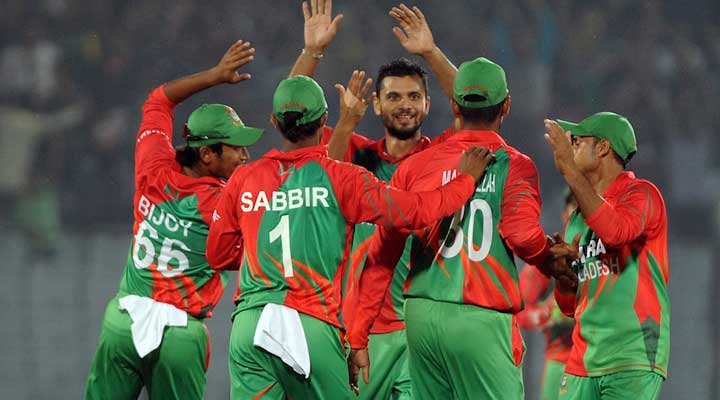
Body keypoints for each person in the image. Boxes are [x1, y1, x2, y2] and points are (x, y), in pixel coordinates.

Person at [205, 71, 494, 400]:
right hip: (310, 320)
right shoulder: (341, 178)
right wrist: (465, 181)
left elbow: (218, 256)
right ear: (324, 119)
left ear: (273, 121)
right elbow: (415, 211)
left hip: (248, 326)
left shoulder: (244, 179)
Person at [347, 52, 579, 400]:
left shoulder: (415, 166)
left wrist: (358, 335)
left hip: (421, 316)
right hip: (480, 314)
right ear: (506, 107)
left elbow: (383, 253)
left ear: (455, 108)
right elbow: (521, 236)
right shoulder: (515, 165)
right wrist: (551, 257)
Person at [286, 2, 456, 398]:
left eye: (414, 96)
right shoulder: (354, 155)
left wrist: (431, 52)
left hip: (422, 330)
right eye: (394, 97)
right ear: (376, 105)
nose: (405, 105)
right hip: (358, 331)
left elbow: (474, 107)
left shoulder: (442, 158)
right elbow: (292, 115)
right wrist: (312, 52)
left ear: (428, 104)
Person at [84, 40, 263, 400]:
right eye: (236, 147)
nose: (246, 155)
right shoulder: (225, 203)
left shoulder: (153, 166)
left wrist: (213, 76)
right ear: (208, 154)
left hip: (123, 321)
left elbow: (158, 100)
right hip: (180, 334)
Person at [544, 113, 670, 400]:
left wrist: (569, 172)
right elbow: (568, 306)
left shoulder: (643, 195)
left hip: (632, 355)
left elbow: (615, 232)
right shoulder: (576, 218)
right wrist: (563, 275)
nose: (570, 145)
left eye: (578, 140)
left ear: (603, 148)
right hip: (583, 359)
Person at [517, 191, 577, 400]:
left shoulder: (602, 255)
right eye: (573, 207)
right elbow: (518, 310)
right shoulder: (551, 257)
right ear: (564, 214)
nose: (579, 214)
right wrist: (547, 314)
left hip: (600, 361)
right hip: (560, 362)